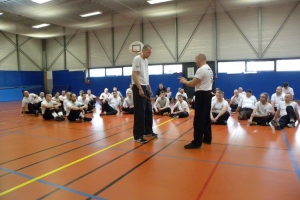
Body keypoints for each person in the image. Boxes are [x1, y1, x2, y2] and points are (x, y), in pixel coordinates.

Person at [179, 53, 213, 149]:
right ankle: (207, 138)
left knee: (198, 119)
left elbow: (193, 83)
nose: (195, 61)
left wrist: (184, 81)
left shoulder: (201, 69)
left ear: (200, 59)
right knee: (206, 118)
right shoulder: (209, 68)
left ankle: (197, 142)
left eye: (195, 59)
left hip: (202, 95)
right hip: (207, 94)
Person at [131, 44, 157, 144]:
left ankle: (148, 131)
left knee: (148, 111)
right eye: (149, 52)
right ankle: (138, 136)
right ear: (144, 51)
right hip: (138, 87)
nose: (150, 54)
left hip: (145, 87)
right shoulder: (137, 59)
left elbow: (145, 76)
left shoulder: (146, 61)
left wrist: (148, 88)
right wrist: (140, 88)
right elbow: (134, 75)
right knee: (140, 112)